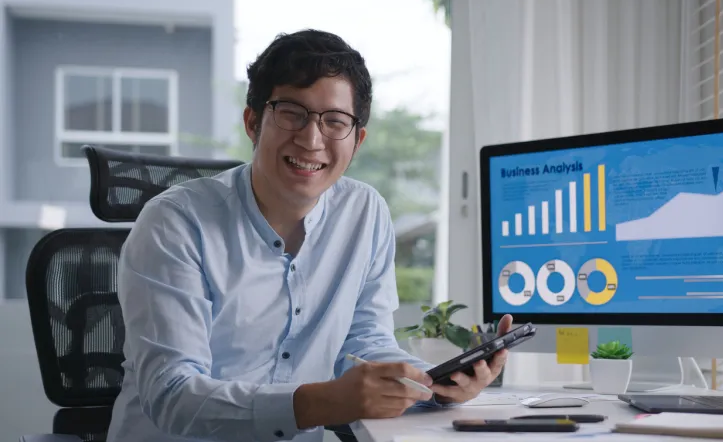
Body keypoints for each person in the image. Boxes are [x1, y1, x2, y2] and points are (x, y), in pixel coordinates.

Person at [106, 29, 513, 442]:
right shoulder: (174, 223)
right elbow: (172, 395)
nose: (311, 139)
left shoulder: (365, 213)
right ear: (253, 123)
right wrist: (319, 403)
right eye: (291, 114)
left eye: (335, 121)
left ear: (357, 141)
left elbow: (366, 340)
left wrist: (430, 385)